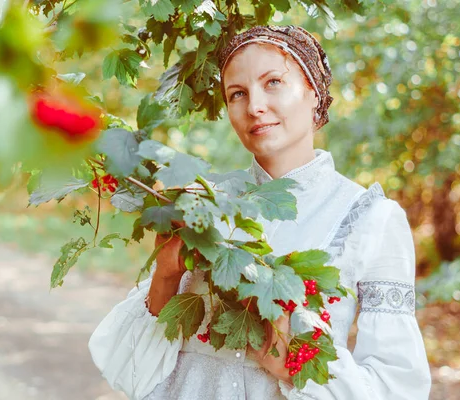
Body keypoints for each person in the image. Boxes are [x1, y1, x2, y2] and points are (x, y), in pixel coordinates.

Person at [88, 25, 431, 400]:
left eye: (273, 83)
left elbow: (398, 387)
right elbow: (134, 373)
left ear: (313, 93)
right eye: (238, 93)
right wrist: (167, 276)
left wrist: (300, 368)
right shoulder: (203, 203)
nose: (254, 107)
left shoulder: (371, 219)